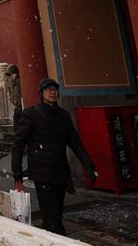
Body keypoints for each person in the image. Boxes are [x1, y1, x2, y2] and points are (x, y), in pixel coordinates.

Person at [11, 78, 96, 235]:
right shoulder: (31, 114)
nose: (52, 92)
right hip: (42, 172)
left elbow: (75, 142)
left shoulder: (63, 115)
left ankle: (51, 233)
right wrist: (16, 168)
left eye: (54, 89)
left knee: (56, 212)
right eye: (48, 90)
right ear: (42, 94)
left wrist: (88, 165)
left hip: (60, 171)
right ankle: (56, 238)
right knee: (52, 216)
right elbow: (18, 142)